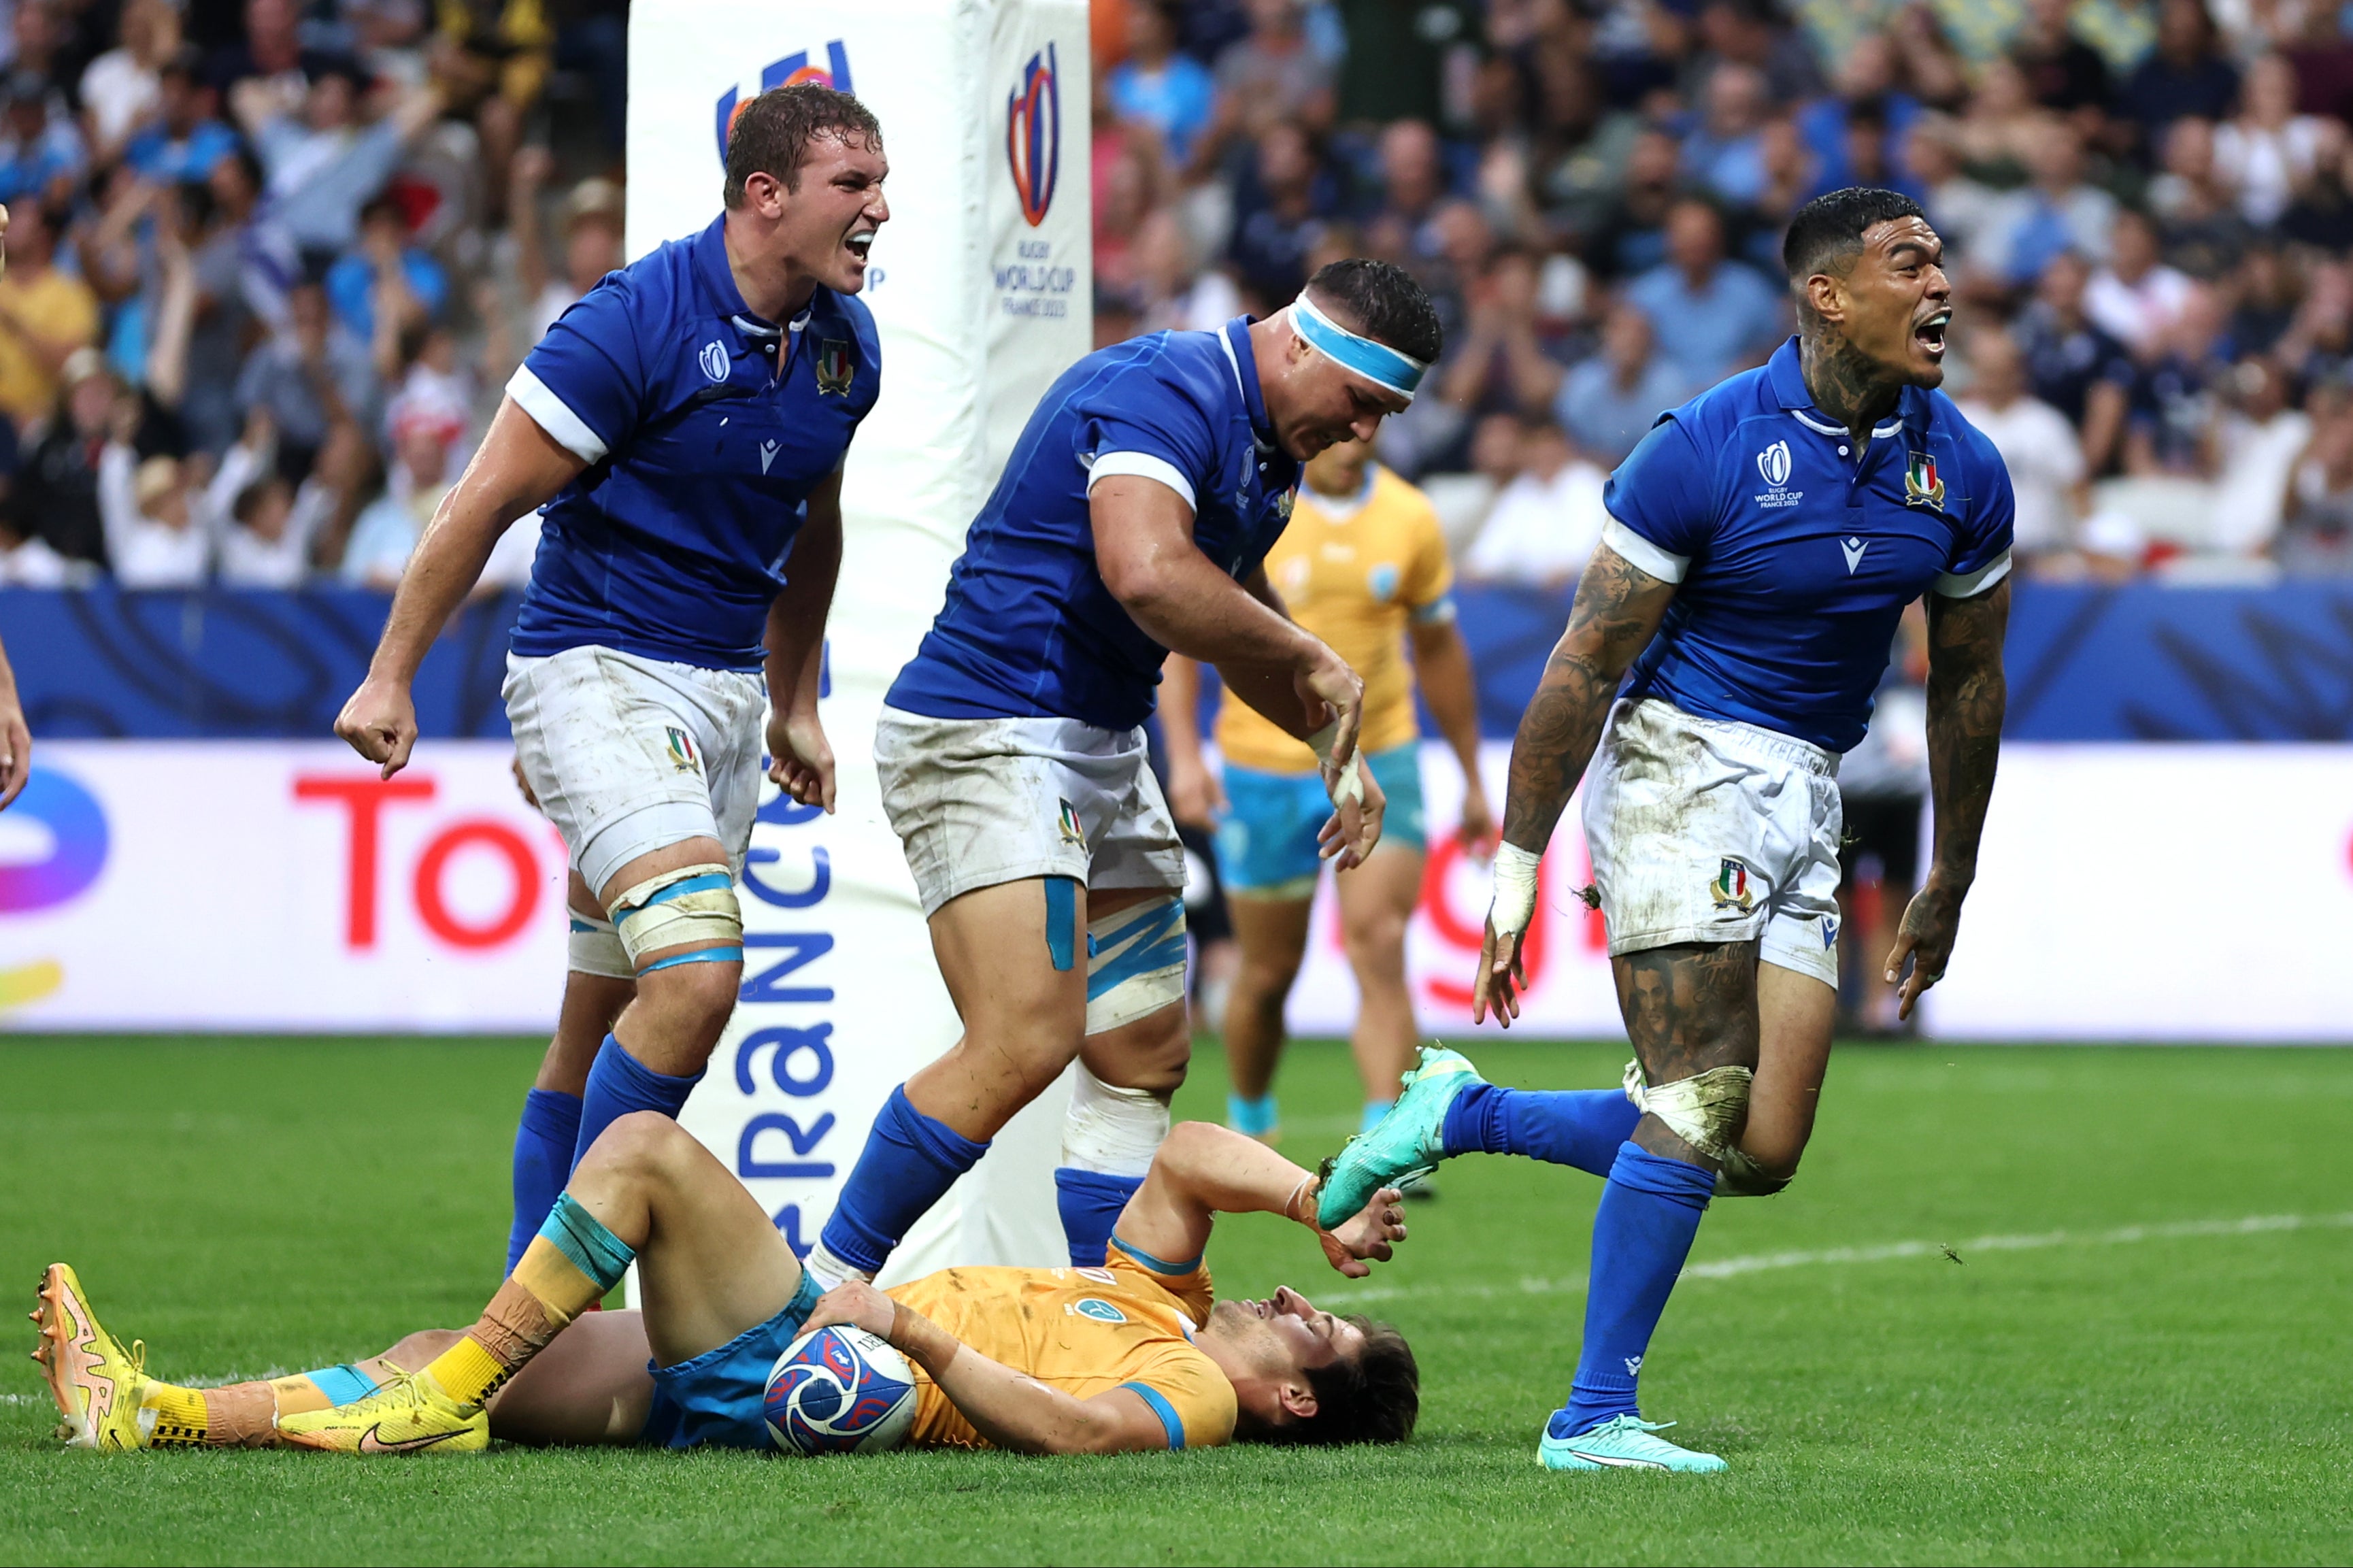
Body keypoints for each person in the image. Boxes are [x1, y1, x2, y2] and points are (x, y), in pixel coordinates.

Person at [1323, 188, 2013, 1473]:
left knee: (1755, 1148)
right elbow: (1584, 663)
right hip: (1677, 765)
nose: (1939, 288)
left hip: (1811, 779)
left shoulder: (1958, 466)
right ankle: (1590, 1419)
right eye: (1906, 265)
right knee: (1693, 1100)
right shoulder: (1698, 448)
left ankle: (1454, 1117)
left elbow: (1969, 677)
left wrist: (1949, 873)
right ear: (1824, 296)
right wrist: (1518, 861)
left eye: (1940, 264)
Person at [329, 84, 888, 1277]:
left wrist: (794, 700)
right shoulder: (628, 323)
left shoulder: (845, 347)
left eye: (877, 185)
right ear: (765, 195)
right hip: (597, 672)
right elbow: (481, 500)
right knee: (695, 978)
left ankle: (534, 1330)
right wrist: (391, 677)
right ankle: (557, 1299)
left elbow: (813, 523)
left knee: (596, 1025)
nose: (877, 211)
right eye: (854, 187)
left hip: (727, 694)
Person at [801, 260, 1441, 1292]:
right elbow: (1145, 572)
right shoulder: (1164, 387)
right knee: (1025, 1036)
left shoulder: (1263, 454)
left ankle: (1109, 1311)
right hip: (989, 728)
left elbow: (1238, 632)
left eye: (1385, 415)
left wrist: (1337, 751)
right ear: (1298, 346)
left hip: (1095, 745)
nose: (1363, 433)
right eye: (1361, 403)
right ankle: (821, 1292)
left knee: (1141, 1047)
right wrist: (1315, 659)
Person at [35, 1116, 1418, 1456]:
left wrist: (910, 1325)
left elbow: (1080, 1433)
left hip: (824, 1373)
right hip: (804, 1352)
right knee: (445, 1344)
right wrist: (1316, 1198)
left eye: (1318, 1326)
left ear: (1294, 1397)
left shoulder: (1191, 1387)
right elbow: (1181, 1153)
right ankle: (149, 1412)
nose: (1298, 1296)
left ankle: (439, 1404)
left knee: (641, 1155)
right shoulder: (1162, 1299)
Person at [1157, 433, 1492, 1147]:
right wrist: (1185, 755)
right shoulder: (1263, 509)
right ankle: (1250, 1115)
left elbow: (1439, 653)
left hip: (1380, 756)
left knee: (1381, 941)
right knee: (1270, 970)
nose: (1352, 441)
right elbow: (1187, 634)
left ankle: (1385, 1136)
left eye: (1369, 425)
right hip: (1263, 765)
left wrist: (1470, 779)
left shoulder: (1410, 519)